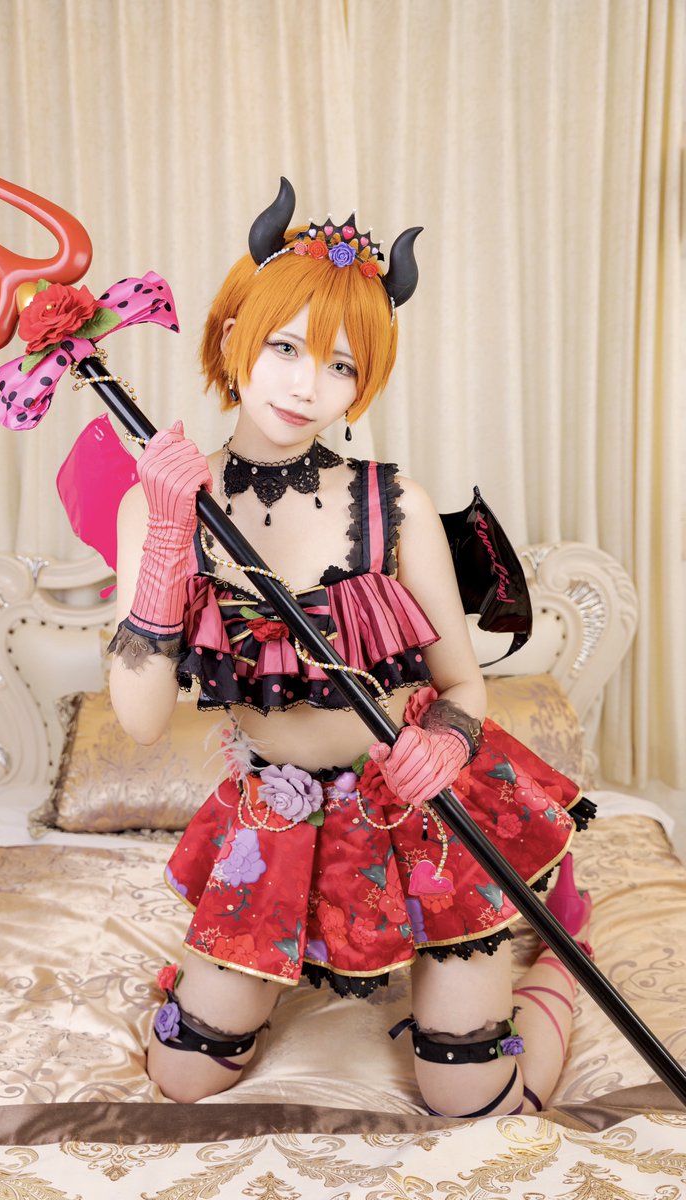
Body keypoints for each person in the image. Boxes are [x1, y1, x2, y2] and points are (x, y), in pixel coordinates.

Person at [108, 180, 593, 1115]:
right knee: (184, 1074)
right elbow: (138, 720)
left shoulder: (395, 503)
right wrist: (168, 535)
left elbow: (462, 685)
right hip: (275, 815)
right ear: (234, 336)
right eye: (285, 348)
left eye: (340, 365)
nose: (307, 386)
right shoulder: (162, 502)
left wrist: (447, 740)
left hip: (422, 809)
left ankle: (559, 958)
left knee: (472, 1096)